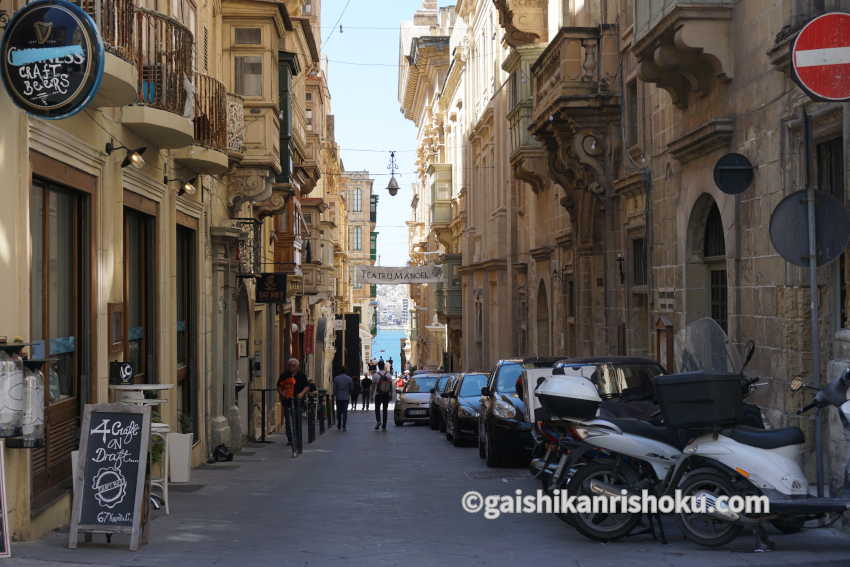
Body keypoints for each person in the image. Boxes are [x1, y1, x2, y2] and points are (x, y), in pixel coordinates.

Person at [277, 358, 310, 457]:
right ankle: (291, 440)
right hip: (287, 402)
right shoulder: (284, 375)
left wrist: (301, 394)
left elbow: (307, 386)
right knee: (288, 421)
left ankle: (298, 440)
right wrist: (282, 393)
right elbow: (279, 386)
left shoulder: (301, 375)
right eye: (290, 365)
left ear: (297, 366)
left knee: (297, 421)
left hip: (298, 402)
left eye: (293, 365)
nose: (291, 367)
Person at [373, 362, 392, 430]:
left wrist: (371, 395)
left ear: (378, 366)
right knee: (385, 410)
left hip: (378, 394)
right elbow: (390, 385)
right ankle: (384, 424)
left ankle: (378, 421)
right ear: (384, 366)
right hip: (386, 394)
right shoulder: (388, 375)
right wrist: (391, 394)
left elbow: (373, 386)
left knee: (377, 409)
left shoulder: (375, 375)